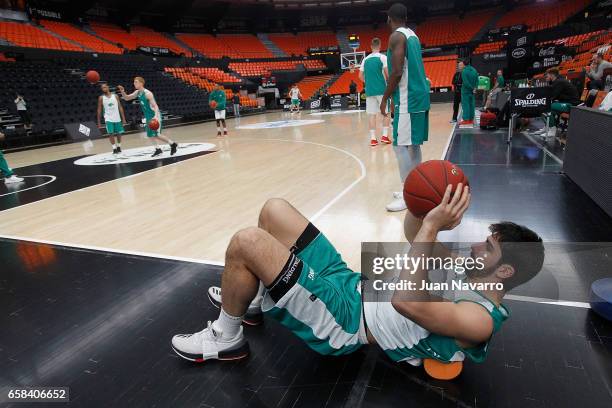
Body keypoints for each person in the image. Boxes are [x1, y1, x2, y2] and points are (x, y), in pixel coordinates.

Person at [171, 187, 544, 368]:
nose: (477, 248)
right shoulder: (467, 273)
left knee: (247, 242)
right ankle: (249, 300)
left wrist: (432, 228)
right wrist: (427, 208)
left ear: (506, 271)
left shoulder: (479, 321)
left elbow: (406, 301)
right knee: (275, 210)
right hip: (350, 283)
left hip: (347, 321)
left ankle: (227, 336)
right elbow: (415, 232)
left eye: (488, 247)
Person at [380, 3, 430, 212]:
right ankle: (417, 189)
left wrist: (385, 98)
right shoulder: (413, 35)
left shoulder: (396, 36)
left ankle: (409, 195)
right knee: (413, 145)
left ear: (390, 18)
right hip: (419, 95)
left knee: (399, 145)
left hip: (407, 99)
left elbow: (397, 71)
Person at [117, 77, 178, 157]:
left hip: (154, 115)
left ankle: (172, 144)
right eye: (134, 82)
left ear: (141, 83)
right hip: (148, 116)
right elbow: (127, 98)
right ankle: (158, 149)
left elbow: (155, 106)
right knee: (149, 134)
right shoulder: (137, 92)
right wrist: (122, 91)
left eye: (136, 82)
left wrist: (155, 117)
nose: (134, 83)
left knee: (157, 135)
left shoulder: (147, 93)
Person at [359, 37, 391, 146]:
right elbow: (387, 75)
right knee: (386, 113)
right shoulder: (383, 57)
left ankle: (373, 139)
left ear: (371, 47)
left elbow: (360, 76)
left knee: (372, 115)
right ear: (380, 46)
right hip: (382, 90)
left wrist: (368, 82)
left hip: (369, 91)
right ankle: (385, 136)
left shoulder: (365, 59)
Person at [532, 68, 581, 138]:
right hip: (564, 102)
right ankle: (547, 127)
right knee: (542, 106)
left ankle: (552, 130)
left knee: (547, 106)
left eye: (547, 76)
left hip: (571, 104)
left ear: (552, 75)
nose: (545, 78)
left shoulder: (559, 82)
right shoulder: (555, 82)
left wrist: (542, 100)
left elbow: (552, 96)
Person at [97, 83, 127, 155]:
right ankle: (114, 148)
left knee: (119, 133)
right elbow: (99, 110)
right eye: (102, 88)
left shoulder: (115, 96)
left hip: (117, 117)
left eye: (105, 87)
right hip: (108, 118)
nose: (104, 88)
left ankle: (119, 146)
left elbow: (120, 107)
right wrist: (99, 122)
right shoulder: (101, 98)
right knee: (110, 133)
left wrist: (123, 118)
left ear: (108, 87)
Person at [459, 59, 478, 127]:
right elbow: (477, 80)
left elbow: (466, 83)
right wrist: (475, 88)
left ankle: (466, 120)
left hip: (466, 91)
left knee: (465, 105)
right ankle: (471, 119)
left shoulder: (464, 71)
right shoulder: (474, 70)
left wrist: (472, 88)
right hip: (472, 91)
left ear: (464, 64)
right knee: (471, 105)